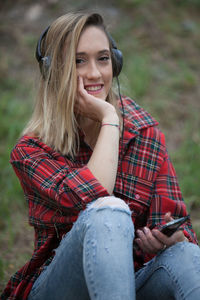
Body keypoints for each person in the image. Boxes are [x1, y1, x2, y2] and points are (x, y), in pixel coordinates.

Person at [1, 11, 200, 300]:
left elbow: (181, 228)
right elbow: (94, 198)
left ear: (115, 63)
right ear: (53, 71)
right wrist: (109, 117)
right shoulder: (31, 151)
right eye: (78, 61)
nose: (95, 73)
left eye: (103, 58)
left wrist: (169, 240)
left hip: (133, 282)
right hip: (61, 288)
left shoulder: (143, 131)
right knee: (108, 211)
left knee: (187, 254)